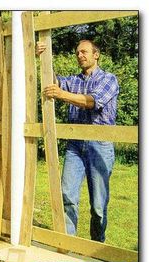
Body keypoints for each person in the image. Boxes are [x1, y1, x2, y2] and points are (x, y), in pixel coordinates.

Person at [36, 40, 119, 242]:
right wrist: (41, 57)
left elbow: (92, 101)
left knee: (98, 204)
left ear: (96, 55)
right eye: (77, 53)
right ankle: (69, 244)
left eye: (84, 52)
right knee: (68, 196)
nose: (80, 55)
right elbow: (52, 81)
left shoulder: (109, 79)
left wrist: (62, 95)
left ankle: (96, 247)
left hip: (100, 144)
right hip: (75, 145)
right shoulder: (74, 80)